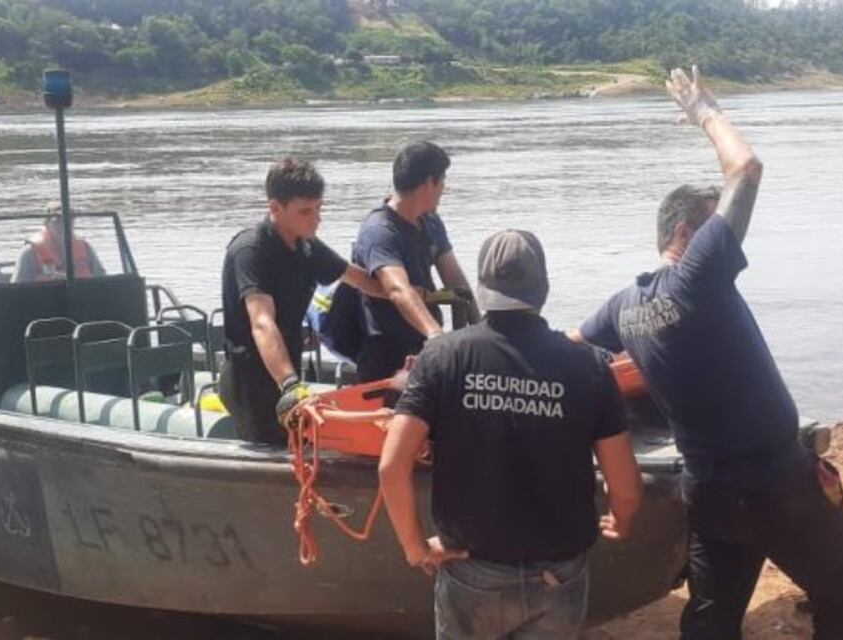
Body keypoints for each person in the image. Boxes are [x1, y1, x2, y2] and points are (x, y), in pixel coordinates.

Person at [570, 66, 843, 639]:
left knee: (712, 617)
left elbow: (567, 345)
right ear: (690, 234)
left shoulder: (625, 305)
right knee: (840, 593)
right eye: (715, 225)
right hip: (774, 481)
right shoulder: (698, 277)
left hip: (710, 490)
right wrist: (703, 112)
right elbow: (745, 168)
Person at [380, 229, 643, 639]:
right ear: (545, 288)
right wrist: (623, 520)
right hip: (558, 572)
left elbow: (392, 465)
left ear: (482, 288)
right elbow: (624, 486)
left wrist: (416, 548)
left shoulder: (443, 357)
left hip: (471, 570)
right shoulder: (589, 367)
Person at [218, 158, 384, 445]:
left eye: (319, 208)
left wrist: (409, 292)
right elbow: (261, 322)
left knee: (303, 451)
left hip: (289, 368)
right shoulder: (251, 250)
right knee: (271, 460)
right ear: (275, 208)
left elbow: (357, 278)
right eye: (305, 211)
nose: (316, 218)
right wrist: (290, 384)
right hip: (252, 381)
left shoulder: (305, 244)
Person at [352, 141, 480, 382]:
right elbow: (398, 289)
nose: (445, 189)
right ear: (429, 183)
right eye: (442, 181)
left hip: (426, 354)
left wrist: (481, 332)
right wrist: (436, 334)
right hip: (386, 361)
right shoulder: (379, 231)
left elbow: (456, 281)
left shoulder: (431, 222)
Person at [12, 203, 105, 282]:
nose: (64, 225)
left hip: (82, 298)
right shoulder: (29, 252)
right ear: (47, 223)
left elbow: (102, 279)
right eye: (58, 221)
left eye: (69, 220)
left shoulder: (85, 247)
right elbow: (17, 289)